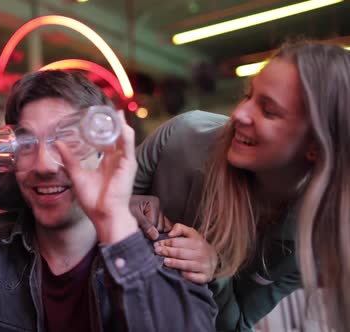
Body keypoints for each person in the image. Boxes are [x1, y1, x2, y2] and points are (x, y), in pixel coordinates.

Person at [0, 70, 217, 331]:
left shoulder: (167, 256)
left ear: (104, 150)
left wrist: (114, 220)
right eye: (27, 143)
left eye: (68, 139)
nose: (43, 164)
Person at [133, 41, 350, 331]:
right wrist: (119, 207)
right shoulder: (184, 136)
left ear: (315, 145)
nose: (239, 114)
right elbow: (81, 213)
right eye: (248, 96)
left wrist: (215, 272)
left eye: (269, 110)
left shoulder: (315, 235)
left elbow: (235, 325)